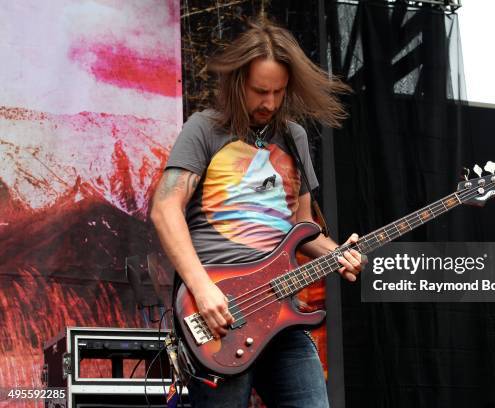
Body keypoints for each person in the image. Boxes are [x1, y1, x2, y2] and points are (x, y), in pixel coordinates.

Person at [150, 17, 363, 408]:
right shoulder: (204, 129)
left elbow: (304, 228)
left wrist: (338, 254)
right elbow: (165, 209)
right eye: (260, 91)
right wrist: (202, 288)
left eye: (279, 92)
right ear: (237, 83)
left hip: (282, 312)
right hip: (219, 310)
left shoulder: (295, 137)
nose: (270, 103)